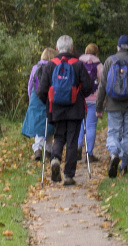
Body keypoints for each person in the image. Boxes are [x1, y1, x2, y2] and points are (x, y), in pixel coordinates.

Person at [36, 36, 93, 186]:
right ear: (72, 49)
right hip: (75, 109)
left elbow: (41, 91)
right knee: (72, 141)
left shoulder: (50, 65)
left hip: (56, 109)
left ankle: (55, 159)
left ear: (57, 48)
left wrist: (49, 102)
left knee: (59, 136)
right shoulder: (78, 65)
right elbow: (88, 88)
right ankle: (68, 175)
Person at [95, 35, 128, 177]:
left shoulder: (109, 61)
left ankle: (114, 154)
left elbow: (102, 86)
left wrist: (99, 107)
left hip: (113, 105)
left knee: (113, 132)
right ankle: (123, 165)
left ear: (117, 47)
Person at [21, 47, 57, 161]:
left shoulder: (35, 67)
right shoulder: (54, 67)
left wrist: (31, 97)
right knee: (50, 123)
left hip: (36, 98)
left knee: (38, 124)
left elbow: (30, 85)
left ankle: (37, 148)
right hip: (50, 98)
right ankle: (48, 150)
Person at [78, 43, 103, 163]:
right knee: (91, 126)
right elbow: (104, 83)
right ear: (96, 53)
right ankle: (89, 154)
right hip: (94, 99)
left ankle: (78, 147)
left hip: (80, 98)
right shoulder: (99, 65)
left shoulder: (78, 63)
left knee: (79, 124)